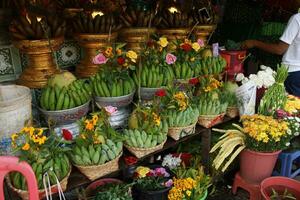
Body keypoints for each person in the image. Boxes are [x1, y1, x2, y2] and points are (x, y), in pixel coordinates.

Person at [242, 13, 300, 97]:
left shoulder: (297, 19)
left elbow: (279, 49)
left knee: (290, 106)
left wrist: (255, 43)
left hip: (293, 73)